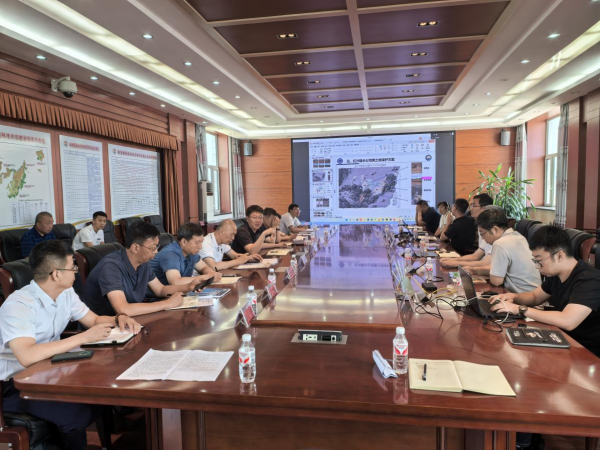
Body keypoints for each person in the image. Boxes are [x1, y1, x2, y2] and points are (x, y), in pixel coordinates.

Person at [0, 240, 141, 450]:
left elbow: (93, 320)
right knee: (76, 416)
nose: (76, 271)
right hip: (15, 384)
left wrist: (118, 318)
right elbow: (26, 356)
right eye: (72, 266)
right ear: (56, 274)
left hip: (49, 372)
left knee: (102, 398)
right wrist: (83, 338)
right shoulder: (19, 305)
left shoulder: (65, 293)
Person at [487, 226, 600, 357]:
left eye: (539, 261)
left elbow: (568, 320)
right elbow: (535, 296)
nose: (537, 266)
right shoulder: (557, 274)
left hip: (587, 353)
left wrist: (519, 309)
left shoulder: (590, 280)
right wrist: (513, 297)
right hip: (563, 339)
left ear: (559, 256)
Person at [83, 222, 198, 317]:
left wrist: (189, 286)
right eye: (153, 248)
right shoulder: (110, 266)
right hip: (106, 328)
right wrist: (167, 304)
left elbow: (160, 289)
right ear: (135, 248)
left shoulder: (143, 262)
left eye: (157, 247)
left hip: (133, 319)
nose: (156, 252)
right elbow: (123, 309)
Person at [465, 208, 540, 293]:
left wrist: (476, 271)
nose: (482, 238)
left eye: (482, 233)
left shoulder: (500, 244)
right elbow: (498, 272)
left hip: (522, 297)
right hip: (535, 293)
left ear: (495, 229)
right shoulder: (518, 236)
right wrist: (474, 270)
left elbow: (496, 281)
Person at [149, 223, 221, 287]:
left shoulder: (191, 252)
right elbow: (176, 282)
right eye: (197, 243)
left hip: (179, 292)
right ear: (184, 242)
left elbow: (203, 267)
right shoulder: (170, 254)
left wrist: (211, 273)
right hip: (156, 296)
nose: (200, 247)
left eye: (201, 242)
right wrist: (205, 278)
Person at [441, 193, 494, 269]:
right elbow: (475, 256)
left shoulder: (491, 230)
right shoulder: (480, 225)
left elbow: (485, 264)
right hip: (479, 266)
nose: (471, 209)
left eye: (474, 205)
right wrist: (453, 260)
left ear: (484, 208)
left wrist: (456, 263)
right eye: (471, 205)